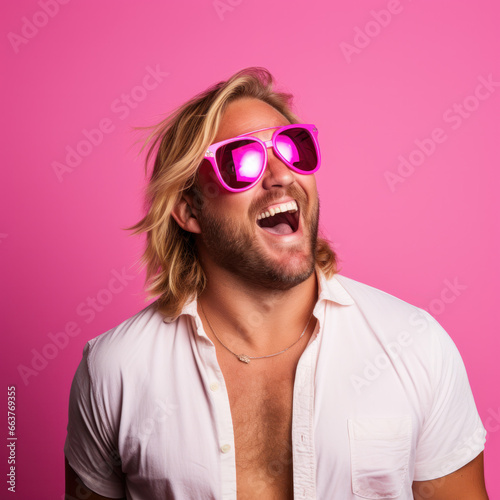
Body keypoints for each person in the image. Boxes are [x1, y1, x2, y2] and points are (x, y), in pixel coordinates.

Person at [64, 67, 489, 500]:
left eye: (294, 148)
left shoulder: (414, 345)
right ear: (189, 211)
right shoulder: (116, 370)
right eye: (240, 161)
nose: (282, 175)